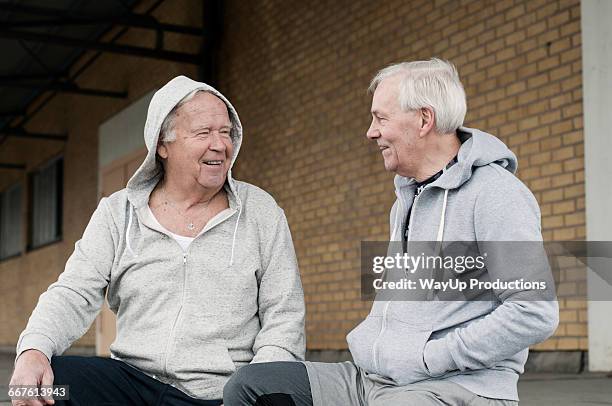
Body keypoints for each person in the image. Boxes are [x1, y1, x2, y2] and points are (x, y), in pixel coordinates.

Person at [223, 58, 559, 405]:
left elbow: (533, 311)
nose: (371, 131)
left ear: (424, 120)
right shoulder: (406, 197)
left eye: (381, 118)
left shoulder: (496, 194)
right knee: (252, 386)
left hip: (455, 387)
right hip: (372, 380)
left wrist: (432, 357)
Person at [9, 76, 305, 406]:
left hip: (225, 394)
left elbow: (284, 315)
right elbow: (73, 292)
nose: (220, 144)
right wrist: (33, 349)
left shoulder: (260, 211)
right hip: (134, 386)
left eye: (226, 132)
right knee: (52, 382)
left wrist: (255, 389)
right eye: (204, 132)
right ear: (162, 145)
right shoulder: (118, 212)